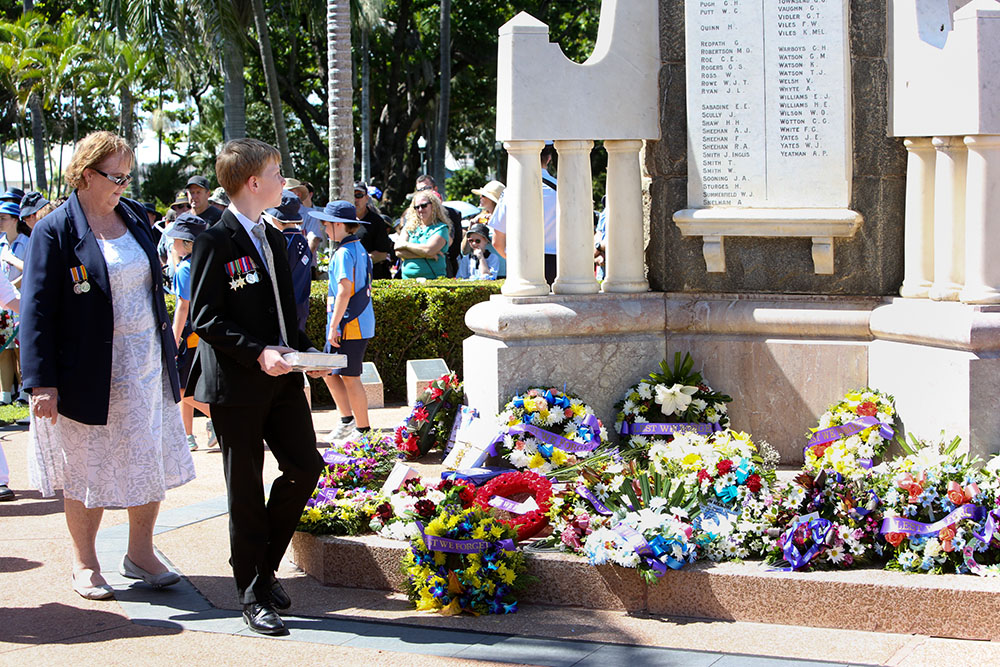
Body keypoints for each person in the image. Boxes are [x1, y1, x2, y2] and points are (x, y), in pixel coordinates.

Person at [21, 130, 194, 601]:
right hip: (86, 369)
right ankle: (85, 562)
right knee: (84, 468)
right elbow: (35, 310)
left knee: (148, 458)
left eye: (126, 175)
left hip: (145, 362)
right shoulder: (53, 230)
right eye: (114, 176)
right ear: (84, 173)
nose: (122, 184)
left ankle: (140, 553)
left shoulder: (135, 216)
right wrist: (41, 384)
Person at [187, 138, 324, 636]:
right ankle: (252, 591)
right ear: (252, 182)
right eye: (276, 171)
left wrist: (308, 354)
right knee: (244, 488)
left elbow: (285, 316)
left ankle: (263, 569)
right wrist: (256, 351)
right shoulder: (214, 240)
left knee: (306, 467)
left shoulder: (272, 235)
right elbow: (205, 318)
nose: (283, 180)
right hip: (239, 385)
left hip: (283, 379)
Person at [312, 200, 374, 442]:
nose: (324, 229)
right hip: (355, 322)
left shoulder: (343, 252)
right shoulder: (358, 248)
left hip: (350, 324)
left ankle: (363, 430)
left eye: (327, 225)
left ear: (339, 225)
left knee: (349, 376)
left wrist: (334, 325)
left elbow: (344, 290)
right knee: (328, 371)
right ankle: (348, 420)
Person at [166, 213, 217, 452]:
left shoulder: (184, 268)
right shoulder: (205, 261)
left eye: (176, 238)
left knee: (182, 390)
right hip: (203, 336)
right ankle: (187, 435)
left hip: (189, 338)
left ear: (187, 243)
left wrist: (173, 340)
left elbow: (182, 306)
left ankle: (218, 418)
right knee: (185, 387)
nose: (172, 243)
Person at [489, 143, 559, 284]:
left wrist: (514, 261)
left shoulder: (511, 191)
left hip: (522, 263)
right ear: (549, 158)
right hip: (558, 265)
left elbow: (497, 241)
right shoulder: (564, 189)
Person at [394, 190, 452, 279]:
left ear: (433, 206)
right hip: (407, 280)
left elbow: (429, 250)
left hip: (432, 281)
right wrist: (426, 255)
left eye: (424, 206)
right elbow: (398, 251)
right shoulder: (409, 226)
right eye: (416, 207)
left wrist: (405, 245)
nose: (420, 210)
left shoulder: (441, 228)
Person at [0, 201, 25, 404]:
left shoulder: (26, 242)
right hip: (11, 303)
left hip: (15, 305)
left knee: (19, 351)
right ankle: (6, 394)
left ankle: (22, 394)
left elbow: (8, 295)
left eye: (3, 217)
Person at [414, 174, 462, 277]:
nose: (424, 192)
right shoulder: (413, 214)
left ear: (435, 189)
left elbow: (453, 244)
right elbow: (399, 249)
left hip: (443, 265)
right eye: (420, 190)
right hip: (415, 268)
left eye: (426, 188)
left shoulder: (451, 214)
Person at [353, 181, 394, 280]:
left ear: (367, 198)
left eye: (359, 195)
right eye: (352, 195)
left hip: (372, 277)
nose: (355, 199)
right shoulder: (343, 221)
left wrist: (359, 260)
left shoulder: (377, 221)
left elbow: (383, 254)